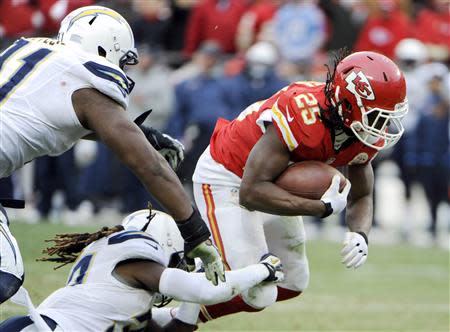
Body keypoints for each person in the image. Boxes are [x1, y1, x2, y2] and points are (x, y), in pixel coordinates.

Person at [0, 5, 224, 304]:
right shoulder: (87, 76)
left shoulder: (29, 49)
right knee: (6, 275)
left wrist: (145, 136)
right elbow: (149, 167)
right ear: (108, 47)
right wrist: (195, 233)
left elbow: (55, 115)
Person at [190, 50, 408, 321]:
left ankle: (180, 310)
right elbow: (250, 192)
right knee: (259, 293)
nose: (384, 125)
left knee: (293, 282)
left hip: (271, 183)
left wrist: (360, 233)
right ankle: (180, 286)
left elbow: (362, 193)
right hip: (228, 177)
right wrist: (319, 208)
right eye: (377, 116)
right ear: (348, 105)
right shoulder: (302, 115)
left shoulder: (357, 129)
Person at [0, 209, 283, 331]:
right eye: (176, 261)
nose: (176, 269)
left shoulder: (125, 297)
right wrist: (262, 270)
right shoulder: (135, 260)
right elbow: (206, 290)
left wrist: (191, 296)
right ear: (163, 244)